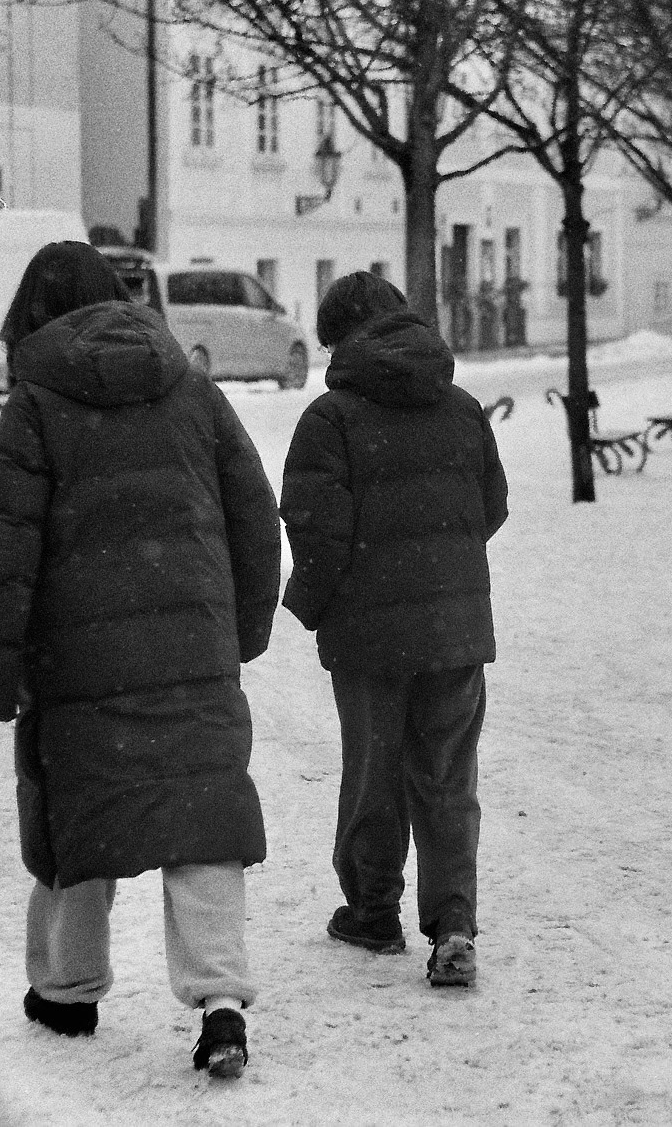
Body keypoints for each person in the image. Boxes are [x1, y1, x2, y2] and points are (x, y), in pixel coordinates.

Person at [0, 241, 280, 1079]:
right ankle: (221, 1001)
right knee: (203, 820)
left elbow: (5, 550)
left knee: (78, 819)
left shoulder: (36, 405)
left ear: (30, 315)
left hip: (79, 660)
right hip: (192, 649)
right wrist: (239, 630)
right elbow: (254, 514)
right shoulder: (191, 389)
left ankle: (67, 990)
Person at [279, 271, 508, 988]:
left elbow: (317, 530)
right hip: (455, 625)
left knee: (373, 772)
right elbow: (492, 506)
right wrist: (442, 568)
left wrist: (310, 601)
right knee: (446, 777)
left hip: (369, 635)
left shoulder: (331, 419)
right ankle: (454, 925)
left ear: (341, 338)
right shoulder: (462, 408)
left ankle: (373, 911)